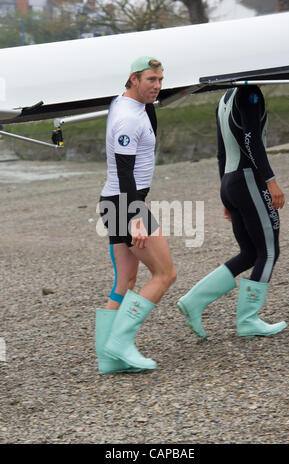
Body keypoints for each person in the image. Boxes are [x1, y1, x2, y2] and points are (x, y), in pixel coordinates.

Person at [177, 84, 287, 338]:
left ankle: (193, 300)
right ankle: (248, 320)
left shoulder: (226, 97)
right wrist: (270, 180)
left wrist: (226, 195)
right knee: (269, 251)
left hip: (230, 180)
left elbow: (221, 153)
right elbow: (251, 139)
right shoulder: (250, 93)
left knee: (250, 253)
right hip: (248, 178)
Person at [95, 56, 177, 374]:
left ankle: (107, 358)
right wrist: (135, 218)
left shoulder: (126, 103)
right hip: (124, 203)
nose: (157, 86)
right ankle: (120, 342)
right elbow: (125, 170)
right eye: (150, 80)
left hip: (114, 201)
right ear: (133, 79)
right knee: (165, 274)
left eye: (160, 80)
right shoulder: (128, 118)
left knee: (125, 279)